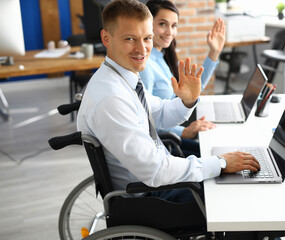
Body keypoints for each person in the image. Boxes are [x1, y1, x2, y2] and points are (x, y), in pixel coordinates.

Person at [77, 0, 260, 204]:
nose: (142, 49)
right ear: (106, 38)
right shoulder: (111, 99)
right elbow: (156, 170)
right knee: (238, 195)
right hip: (148, 196)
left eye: (147, 38)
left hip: (158, 178)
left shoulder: (123, 78)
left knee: (231, 176)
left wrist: (187, 101)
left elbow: (160, 112)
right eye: (130, 39)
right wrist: (221, 163)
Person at [140, 0, 226, 156]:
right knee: (218, 159)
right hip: (161, 147)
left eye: (174, 26)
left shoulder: (162, 57)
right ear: (147, 24)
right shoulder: (145, 66)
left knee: (219, 149)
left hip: (169, 137)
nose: (169, 32)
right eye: (162, 24)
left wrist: (214, 53)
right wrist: (183, 131)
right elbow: (144, 120)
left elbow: (193, 91)